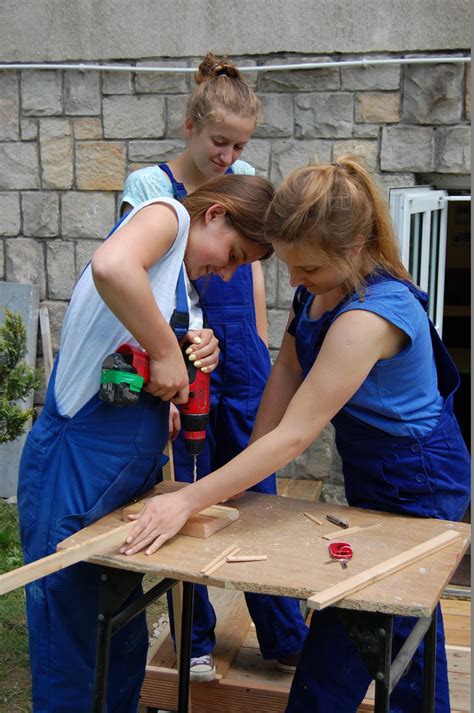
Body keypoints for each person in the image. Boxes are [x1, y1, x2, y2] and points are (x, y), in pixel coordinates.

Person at [122, 157, 471, 713]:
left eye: (305, 269)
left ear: (354, 246)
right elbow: (285, 374)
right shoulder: (320, 291)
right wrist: (242, 484)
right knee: (407, 626)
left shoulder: (370, 317)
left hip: (421, 480)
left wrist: (191, 497)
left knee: (354, 632)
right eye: (288, 266)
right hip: (381, 472)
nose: (294, 281)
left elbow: (296, 434)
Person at [17, 173, 275, 713]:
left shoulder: (184, 289)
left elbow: (141, 361)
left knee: (121, 633)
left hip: (122, 484)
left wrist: (193, 353)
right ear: (215, 214)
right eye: (234, 254)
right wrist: (164, 351)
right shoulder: (167, 215)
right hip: (74, 466)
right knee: (72, 642)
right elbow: (113, 267)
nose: (228, 271)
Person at [121, 51, 308, 681]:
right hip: (182, 354)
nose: (228, 157)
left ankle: (284, 634)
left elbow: (249, 269)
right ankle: (195, 637)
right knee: (189, 492)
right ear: (190, 127)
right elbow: (133, 284)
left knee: (257, 488)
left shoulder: (246, 177)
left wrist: (254, 341)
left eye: (238, 146)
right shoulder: (150, 189)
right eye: (218, 142)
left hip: (239, 357)